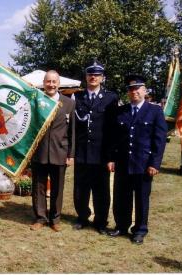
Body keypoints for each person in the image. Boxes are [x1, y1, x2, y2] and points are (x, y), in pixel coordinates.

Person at [107, 74, 167, 244]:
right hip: (123, 162)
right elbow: (114, 138)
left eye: (137, 89)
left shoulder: (155, 111)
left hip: (143, 163)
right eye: (131, 89)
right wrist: (111, 158)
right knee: (121, 196)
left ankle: (140, 230)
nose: (134, 92)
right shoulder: (121, 111)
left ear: (144, 90)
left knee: (141, 198)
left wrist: (154, 163)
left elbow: (159, 140)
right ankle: (121, 225)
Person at [72, 60, 118, 234]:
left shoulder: (111, 98)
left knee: (101, 190)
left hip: (101, 153)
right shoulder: (78, 97)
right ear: (86, 77)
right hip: (82, 152)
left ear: (102, 78)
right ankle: (82, 217)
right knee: (80, 189)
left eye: (97, 75)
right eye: (90, 74)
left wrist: (111, 156)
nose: (93, 77)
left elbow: (113, 128)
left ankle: (100, 221)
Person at [30, 70, 75, 232]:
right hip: (39, 153)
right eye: (48, 81)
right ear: (44, 83)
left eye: (54, 82)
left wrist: (71, 154)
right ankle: (40, 217)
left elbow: (72, 131)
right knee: (38, 187)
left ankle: (55, 219)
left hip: (60, 153)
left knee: (58, 188)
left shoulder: (69, 103)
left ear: (59, 84)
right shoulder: (36, 101)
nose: (51, 85)